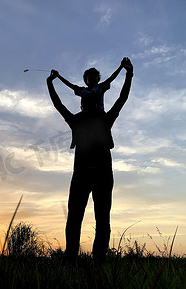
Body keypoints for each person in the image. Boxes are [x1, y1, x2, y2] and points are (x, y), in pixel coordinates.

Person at [46, 57, 133, 263]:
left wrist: (128, 74)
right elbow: (58, 104)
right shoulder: (79, 120)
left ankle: (98, 260)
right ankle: (71, 260)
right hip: (83, 176)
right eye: (87, 98)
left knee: (100, 219)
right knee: (77, 219)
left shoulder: (102, 119)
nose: (90, 99)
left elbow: (122, 98)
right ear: (82, 101)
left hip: (101, 175)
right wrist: (50, 83)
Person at [52, 60, 124, 111]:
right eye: (90, 77)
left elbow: (111, 78)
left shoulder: (100, 87)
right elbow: (69, 84)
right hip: (85, 116)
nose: (92, 78)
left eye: (94, 76)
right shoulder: (82, 90)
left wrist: (121, 66)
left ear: (98, 79)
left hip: (100, 116)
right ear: (85, 80)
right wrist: (58, 76)